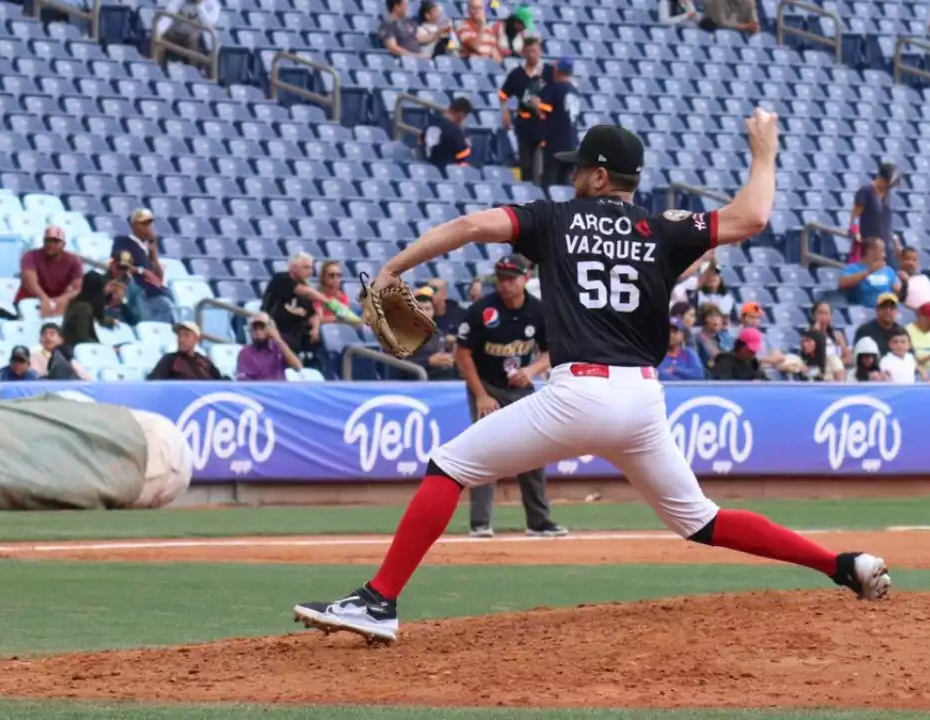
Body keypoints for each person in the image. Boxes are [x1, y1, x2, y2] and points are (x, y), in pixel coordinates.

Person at [295, 114, 891, 644]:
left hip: (578, 392)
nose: (574, 176)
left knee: (450, 465)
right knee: (700, 520)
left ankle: (378, 601)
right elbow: (754, 215)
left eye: (581, 168)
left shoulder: (553, 219)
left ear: (602, 177)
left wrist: (396, 265)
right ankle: (842, 564)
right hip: (641, 402)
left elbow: (475, 224)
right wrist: (764, 149)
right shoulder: (662, 231)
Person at [455, 253, 564, 539]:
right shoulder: (482, 310)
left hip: (520, 387)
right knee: (484, 449)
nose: (505, 285)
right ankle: (480, 523)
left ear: (526, 278)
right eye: (501, 279)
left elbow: (551, 350)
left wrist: (533, 369)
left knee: (534, 449)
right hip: (487, 386)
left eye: (511, 279)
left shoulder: (539, 310)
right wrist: (480, 395)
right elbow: (463, 354)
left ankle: (538, 521)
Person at [499, 37, 553, 184]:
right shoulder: (517, 73)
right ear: (523, 52)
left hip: (544, 123)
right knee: (525, 163)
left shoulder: (549, 72)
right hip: (524, 123)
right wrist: (505, 111)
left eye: (534, 50)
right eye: (528, 51)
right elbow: (503, 94)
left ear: (540, 51)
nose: (531, 54)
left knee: (542, 164)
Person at [109, 209, 175, 323]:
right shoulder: (123, 241)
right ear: (134, 226)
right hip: (138, 291)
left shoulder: (147, 248)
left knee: (168, 310)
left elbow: (159, 277)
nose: (149, 227)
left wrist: (153, 254)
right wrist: (142, 271)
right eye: (144, 224)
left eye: (150, 224)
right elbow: (120, 264)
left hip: (155, 293)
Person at [261, 252, 323, 370]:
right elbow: (304, 292)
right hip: (277, 330)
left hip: (299, 334)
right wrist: (329, 302)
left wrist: (316, 327)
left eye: (311, 267)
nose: (310, 272)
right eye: (306, 267)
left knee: (319, 339)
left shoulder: (306, 287)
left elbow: (312, 313)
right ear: (293, 268)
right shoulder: (281, 279)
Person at [15, 225, 83, 319]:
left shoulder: (74, 261)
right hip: (29, 299)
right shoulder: (30, 256)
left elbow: (77, 288)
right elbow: (30, 282)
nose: (51, 244)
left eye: (56, 241)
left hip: (57, 302)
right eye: (48, 240)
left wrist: (63, 298)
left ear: (63, 244)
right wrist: (45, 299)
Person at [846, 164, 901, 265]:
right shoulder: (866, 192)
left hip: (885, 244)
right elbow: (855, 215)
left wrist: (893, 237)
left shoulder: (887, 194)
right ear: (881, 178)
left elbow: (884, 220)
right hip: (869, 244)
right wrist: (854, 230)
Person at [538, 58, 580, 190]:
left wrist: (535, 103)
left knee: (550, 183)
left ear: (557, 70)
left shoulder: (556, 88)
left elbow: (545, 108)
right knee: (566, 183)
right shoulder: (574, 90)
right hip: (572, 145)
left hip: (556, 144)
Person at [236, 313, 303, 381]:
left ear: (271, 329)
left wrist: (278, 339)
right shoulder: (245, 353)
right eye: (255, 328)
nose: (258, 331)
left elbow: (298, 367)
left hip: (280, 389)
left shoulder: (279, 348)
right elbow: (244, 381)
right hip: (259, 390)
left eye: (262, 327)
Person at [148, 321, 224, 380]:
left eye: (186, 335)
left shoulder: (204, 361)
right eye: (179, 335)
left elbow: (219, 381)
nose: (181, 339)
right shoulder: (169, 359)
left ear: (196, 339)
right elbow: (155, 382)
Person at [838, 237, 900, 307]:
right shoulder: (853, 268)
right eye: (882, 251)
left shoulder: (888, 270)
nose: (884, 255)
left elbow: (899, 291)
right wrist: (869, 271)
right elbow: (842, 283)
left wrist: (905, 281)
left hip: (888, 310)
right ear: (870, 251)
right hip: (866, 312)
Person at [410, 287, 458, 380]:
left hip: (443, 378)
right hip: (414, 381)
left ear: (433, 312)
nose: (424, 313)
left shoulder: (437, 333)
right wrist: (428, 362)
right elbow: (394, 363)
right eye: (419, 309)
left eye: (428, 309)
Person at [423, 97, 474, 168]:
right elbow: (464, 152)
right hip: (447, 169)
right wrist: (465, 140)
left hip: (425, 165)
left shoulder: (430, 123)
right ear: (461, 115)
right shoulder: (454, 130)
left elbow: (420, 142)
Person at [313, 260, 358, 324]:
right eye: (331, 275)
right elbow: (320, 320)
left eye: (338, 275)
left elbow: (345, 317)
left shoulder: (342, 297)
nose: (335, 279)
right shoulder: (315, 296)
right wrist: (337, 318)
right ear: (323, 277)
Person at [694, 302, 733, 367]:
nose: (716, 319)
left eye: (718, 316)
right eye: (711, 316)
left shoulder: (725, 337)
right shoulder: (698, 340)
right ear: (704, 320)